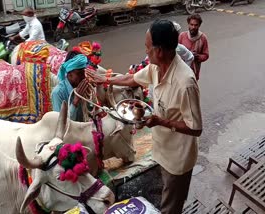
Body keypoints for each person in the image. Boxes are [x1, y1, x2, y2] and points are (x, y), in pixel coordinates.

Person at [86, 19, 203, 214]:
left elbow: (196, 128)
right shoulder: (156, 67)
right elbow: (132, 78)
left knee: (171, 206)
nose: (146, 52)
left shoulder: (185, 82)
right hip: (161, 148)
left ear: (159, 51)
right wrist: (105, 79)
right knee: (163, 190)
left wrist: (160, 121)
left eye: (147, 48)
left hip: (178, 158)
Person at [51, 52, 90, 122]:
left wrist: (91, 97)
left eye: (84, 72)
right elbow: (62, 124)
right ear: (69, 73)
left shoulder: (84, 88)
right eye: (79, 73)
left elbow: (91, 112)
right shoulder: (58, 93)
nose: (83, 76)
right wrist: (75, 102)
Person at [179, 14, 209, 80]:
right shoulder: (182, 36)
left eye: (196, 25)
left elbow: (206, 55)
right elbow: (176, 51)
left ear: (199, 25)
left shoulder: (203, 38)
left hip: (194, 73)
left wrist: (197, 56)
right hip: (181, 70)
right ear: (188, 24)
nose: (193, 27)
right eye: (191, 24)